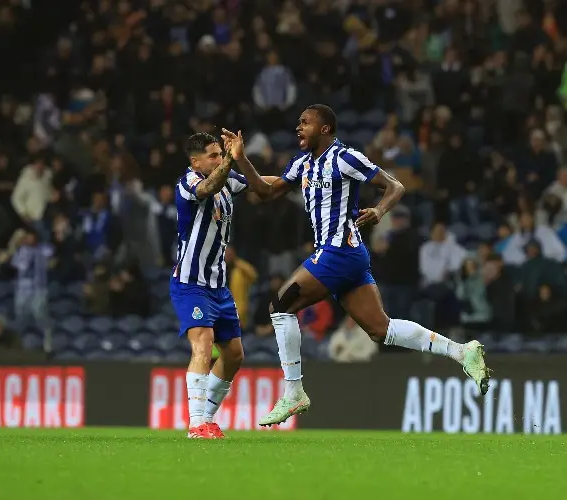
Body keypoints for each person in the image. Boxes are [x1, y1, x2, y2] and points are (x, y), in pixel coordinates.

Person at [221, 104, 491, 427]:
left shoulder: (345, 158)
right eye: (297, 123)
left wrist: (379, 211)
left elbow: (396, 186)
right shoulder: (303, 165)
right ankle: (463, 352)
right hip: (344, 256)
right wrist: (240, 157)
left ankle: (293, 392)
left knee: (280, 306)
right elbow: (266, 191)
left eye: (305, 122)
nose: (298, 128)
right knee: (382, 329)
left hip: (339, 251)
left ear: (325, 129)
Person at [170, 132, 248, 439]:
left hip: (219, 286)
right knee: (203, 344)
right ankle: (196, 424)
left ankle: (207, 419)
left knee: (235, 355)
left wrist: (301, 176)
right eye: (213, 155)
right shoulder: (187, 183)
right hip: (191, 283)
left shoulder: (227, 179)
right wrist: (230, 159)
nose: (218, 160)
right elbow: (208, 186)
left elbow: (260, 184)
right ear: (196, 161)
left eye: (220, 154)